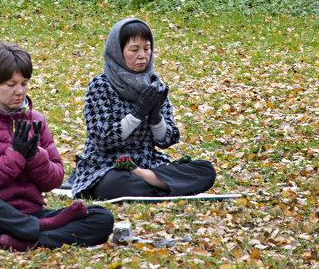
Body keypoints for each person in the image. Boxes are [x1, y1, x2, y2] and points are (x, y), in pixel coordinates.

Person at [0, 43, 114, 250]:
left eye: (24, 83)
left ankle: (26, 240)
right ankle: (40, 231)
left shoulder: (35, 120)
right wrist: (15, 156)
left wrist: (35, 155)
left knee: (102, 217)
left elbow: (55, 179)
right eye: (11, 85)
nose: (19, 91)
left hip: (29, 212)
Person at [69, 18, 216, 200]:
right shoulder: (101, 85)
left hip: (148, 164)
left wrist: (156, 118)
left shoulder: (155, 85)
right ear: (118, 52)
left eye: (147, 49)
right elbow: (102, 139)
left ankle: (146, 178)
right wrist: (137, 114)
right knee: (113, 183)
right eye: (134, 50)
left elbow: (167, 139)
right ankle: (164, 184)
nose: (142, 56)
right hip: (108, 165)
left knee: (206, 170)